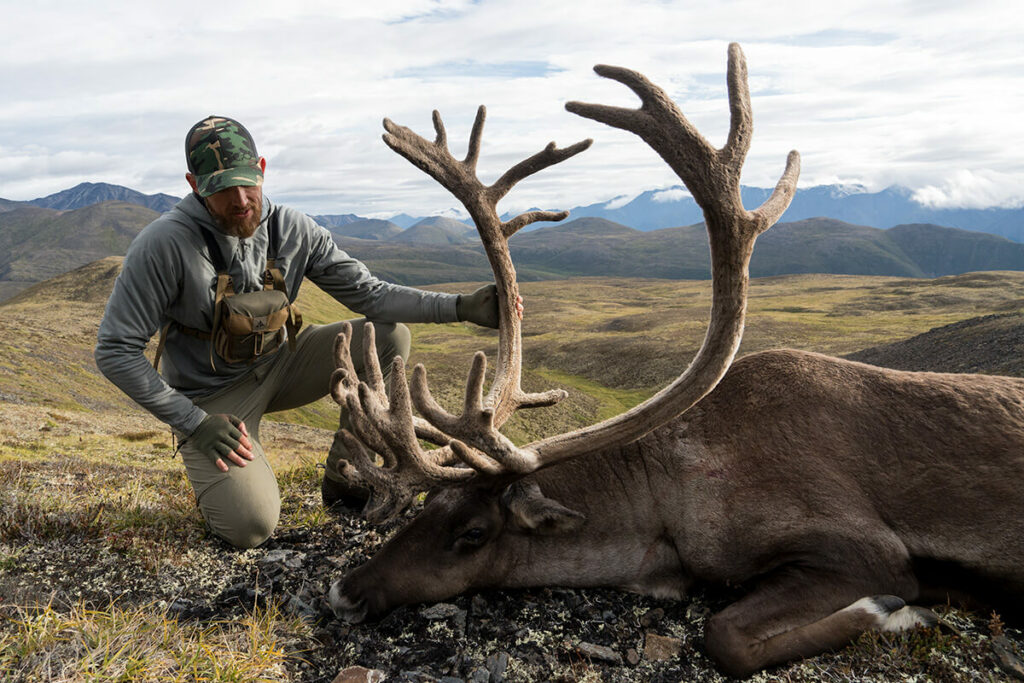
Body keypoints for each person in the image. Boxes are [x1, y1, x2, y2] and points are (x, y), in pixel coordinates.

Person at [95, 115, 518, 549]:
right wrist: (195, 422)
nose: (241, 200)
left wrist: (462, 307)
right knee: (251, 528)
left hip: (283, 365)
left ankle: (345, 475)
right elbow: (115, 351)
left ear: (261, 168)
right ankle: (225, 467)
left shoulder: (294, 229)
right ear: (193, 183)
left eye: (247, 183)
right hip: (210, 399)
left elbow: (370, 296)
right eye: (221, 188)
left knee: (390, 337)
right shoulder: (162, 245)